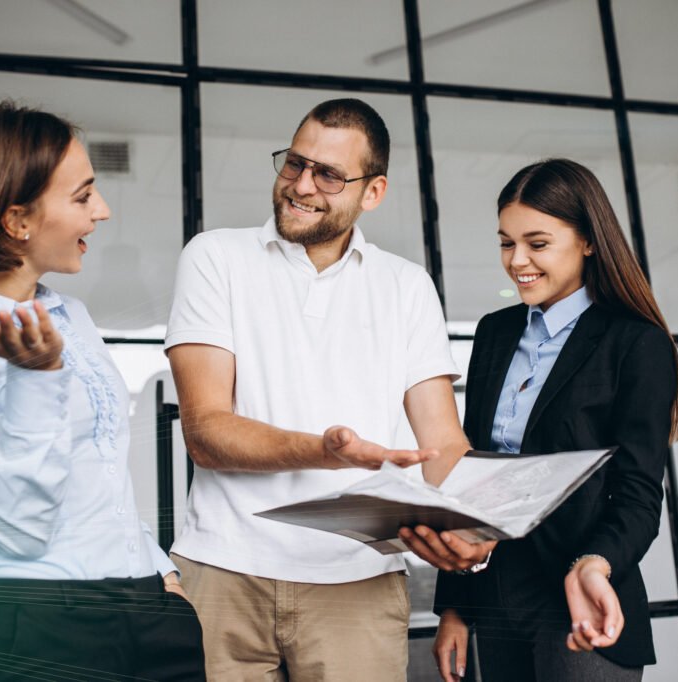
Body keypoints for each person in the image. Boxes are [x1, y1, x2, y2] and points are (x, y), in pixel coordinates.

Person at [0, 102, 206, 681]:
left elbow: (98, 474)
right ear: (18, 221)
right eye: (83, 197)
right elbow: (14, 527)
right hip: (40, 631)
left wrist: (161, 575)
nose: (102, 210)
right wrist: (35, 379)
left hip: (150, 611)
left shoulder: (69, 314)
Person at [164, 97, 475, 680]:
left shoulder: (408, 286)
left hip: (359, 581)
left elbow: (443, 444)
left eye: (329, 174)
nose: (301, 185)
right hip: (224, 572)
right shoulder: (215, 257)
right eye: (294, 163)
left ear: (373, 192)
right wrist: (326, 452)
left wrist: (475, 527)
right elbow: (205, 432)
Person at [403, 158, 678, 681]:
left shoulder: (634, 343)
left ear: (588, 241)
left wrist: (595, 563)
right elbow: (473, 476)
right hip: (495, 598)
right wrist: (456, 607)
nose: (517, 261)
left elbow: (639, 494)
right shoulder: (495, 333)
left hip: (577, 594)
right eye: (506, 243)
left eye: (537, 244)